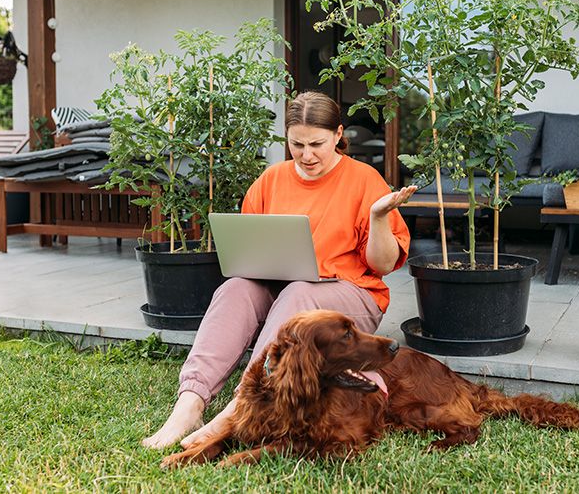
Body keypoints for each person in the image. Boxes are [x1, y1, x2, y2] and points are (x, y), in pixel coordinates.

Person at [143, 91, 417, 449]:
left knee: (299, 291)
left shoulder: (364, 180)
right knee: (235, 288)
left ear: (337, 135)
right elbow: (248, 249)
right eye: (296, 144)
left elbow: (382, 265)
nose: (306, 155)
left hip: (350, 296)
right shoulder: (271, 180)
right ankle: (190, 404)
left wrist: (378, 217)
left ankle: (241, 405)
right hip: (282, 289)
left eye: (317, 144)